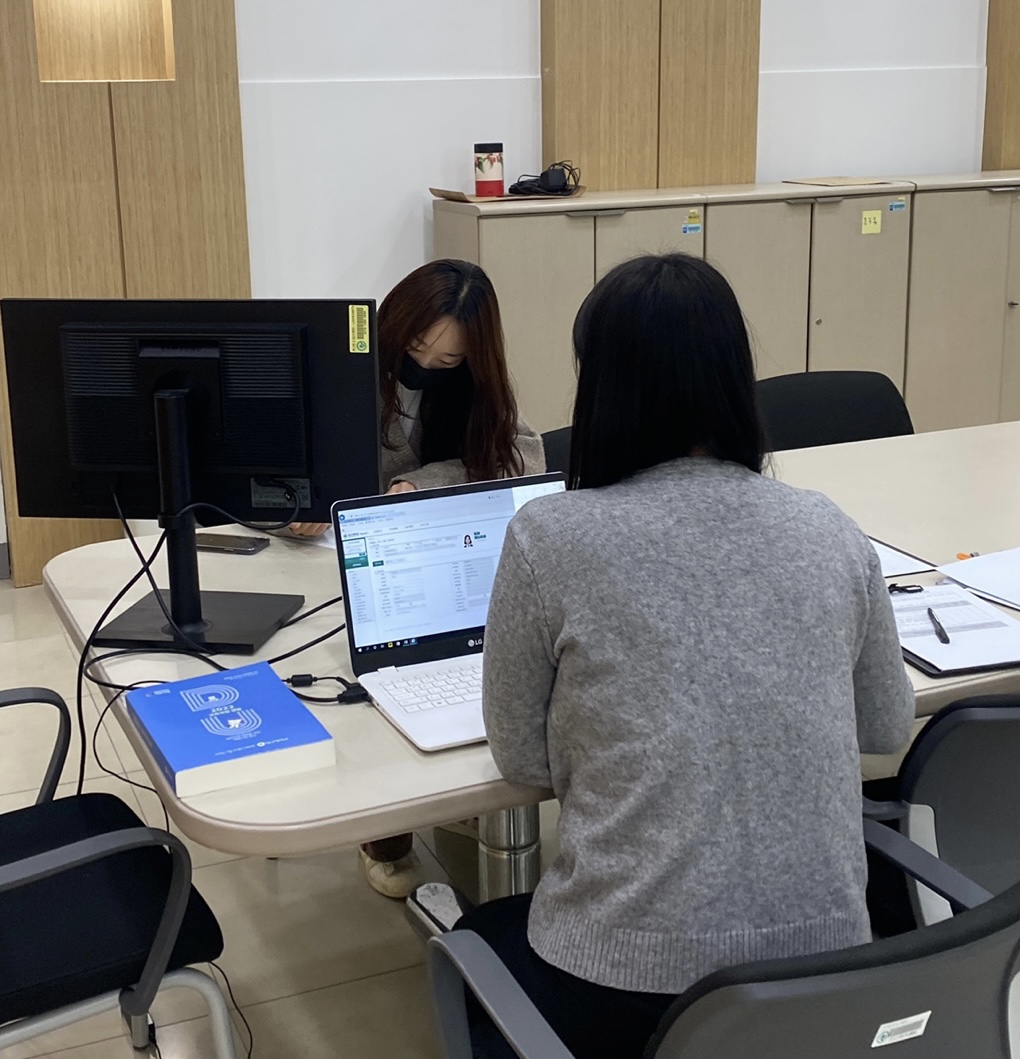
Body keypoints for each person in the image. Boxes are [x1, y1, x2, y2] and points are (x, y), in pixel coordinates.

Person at [456, 253, 915, 1058]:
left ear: (599, 387)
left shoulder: (548, 537)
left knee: (475, 941)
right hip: (823, 977)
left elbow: (520, 757)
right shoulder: (827, 526)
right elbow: (885, 724)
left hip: (623, 983)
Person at [294, 259, 545, 898]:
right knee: (356, 673)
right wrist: (302, 501)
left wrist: (421, 484)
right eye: (415, 348)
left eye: (447, 360)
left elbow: (521, 459)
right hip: (327, 556)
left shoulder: (480, 386)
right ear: (394, 328)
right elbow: (278, 465)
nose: (427, 365)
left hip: (425, 558)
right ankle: (386, 826)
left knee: (443, 668)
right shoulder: (345, 369)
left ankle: (460, 795)